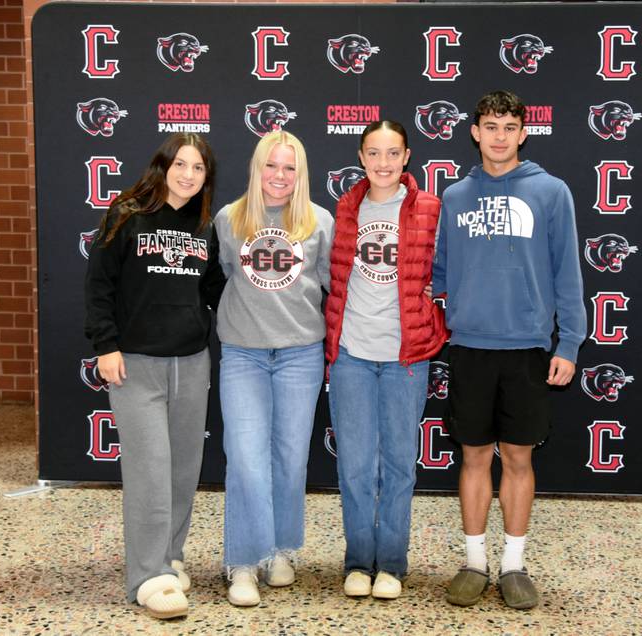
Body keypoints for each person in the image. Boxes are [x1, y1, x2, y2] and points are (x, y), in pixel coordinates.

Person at [433, 90, 586, 609]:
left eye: (509, 127)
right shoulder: (454, 197)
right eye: (490, 126)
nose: (499, 136)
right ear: (474, 132)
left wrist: (568, 342)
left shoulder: (551, 192)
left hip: (526, 348)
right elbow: (437, 275)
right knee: (474, 456)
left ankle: (514, 564)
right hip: (470, 346)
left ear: (523, 133)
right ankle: (474, 562)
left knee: (518, 457)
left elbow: (569, 274)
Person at [84, 132, 225, 619]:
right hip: (135, 365)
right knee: (148, 472)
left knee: (183, 470)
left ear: (207, 177)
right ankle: (148, 576)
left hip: (190, 362)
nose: (188, 174)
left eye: (199, 168)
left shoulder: (204, 226)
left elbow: (214, 289)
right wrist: (106, 346)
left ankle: (170, 556)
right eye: (181, 164)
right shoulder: (126, 214)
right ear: (162, 165)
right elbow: (99, 284)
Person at [325, 120, 448, 600]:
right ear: (361, 157)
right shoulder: (345, 207)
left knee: (399, 463)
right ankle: (358, 562)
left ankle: (392, 564)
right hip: (352, 354)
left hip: (406, 359)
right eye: (373, 153)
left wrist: (434, 325)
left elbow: (447, 273)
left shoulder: (430, 208)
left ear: (407, 156)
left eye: (392, 153)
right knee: (355, 465)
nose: (383, 163)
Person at [215, 130, 334, 607]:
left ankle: (280, 550)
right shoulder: (229, 219)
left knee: (290, 458)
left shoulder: (319, 221)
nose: (280, 176)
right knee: (245, 458)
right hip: (243, 352)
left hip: (300, 355)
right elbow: (226, 273)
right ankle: (242, 561)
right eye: (271, 165)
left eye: (290, 167)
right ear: (256, 167)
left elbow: (328, 283)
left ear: (300, 173)